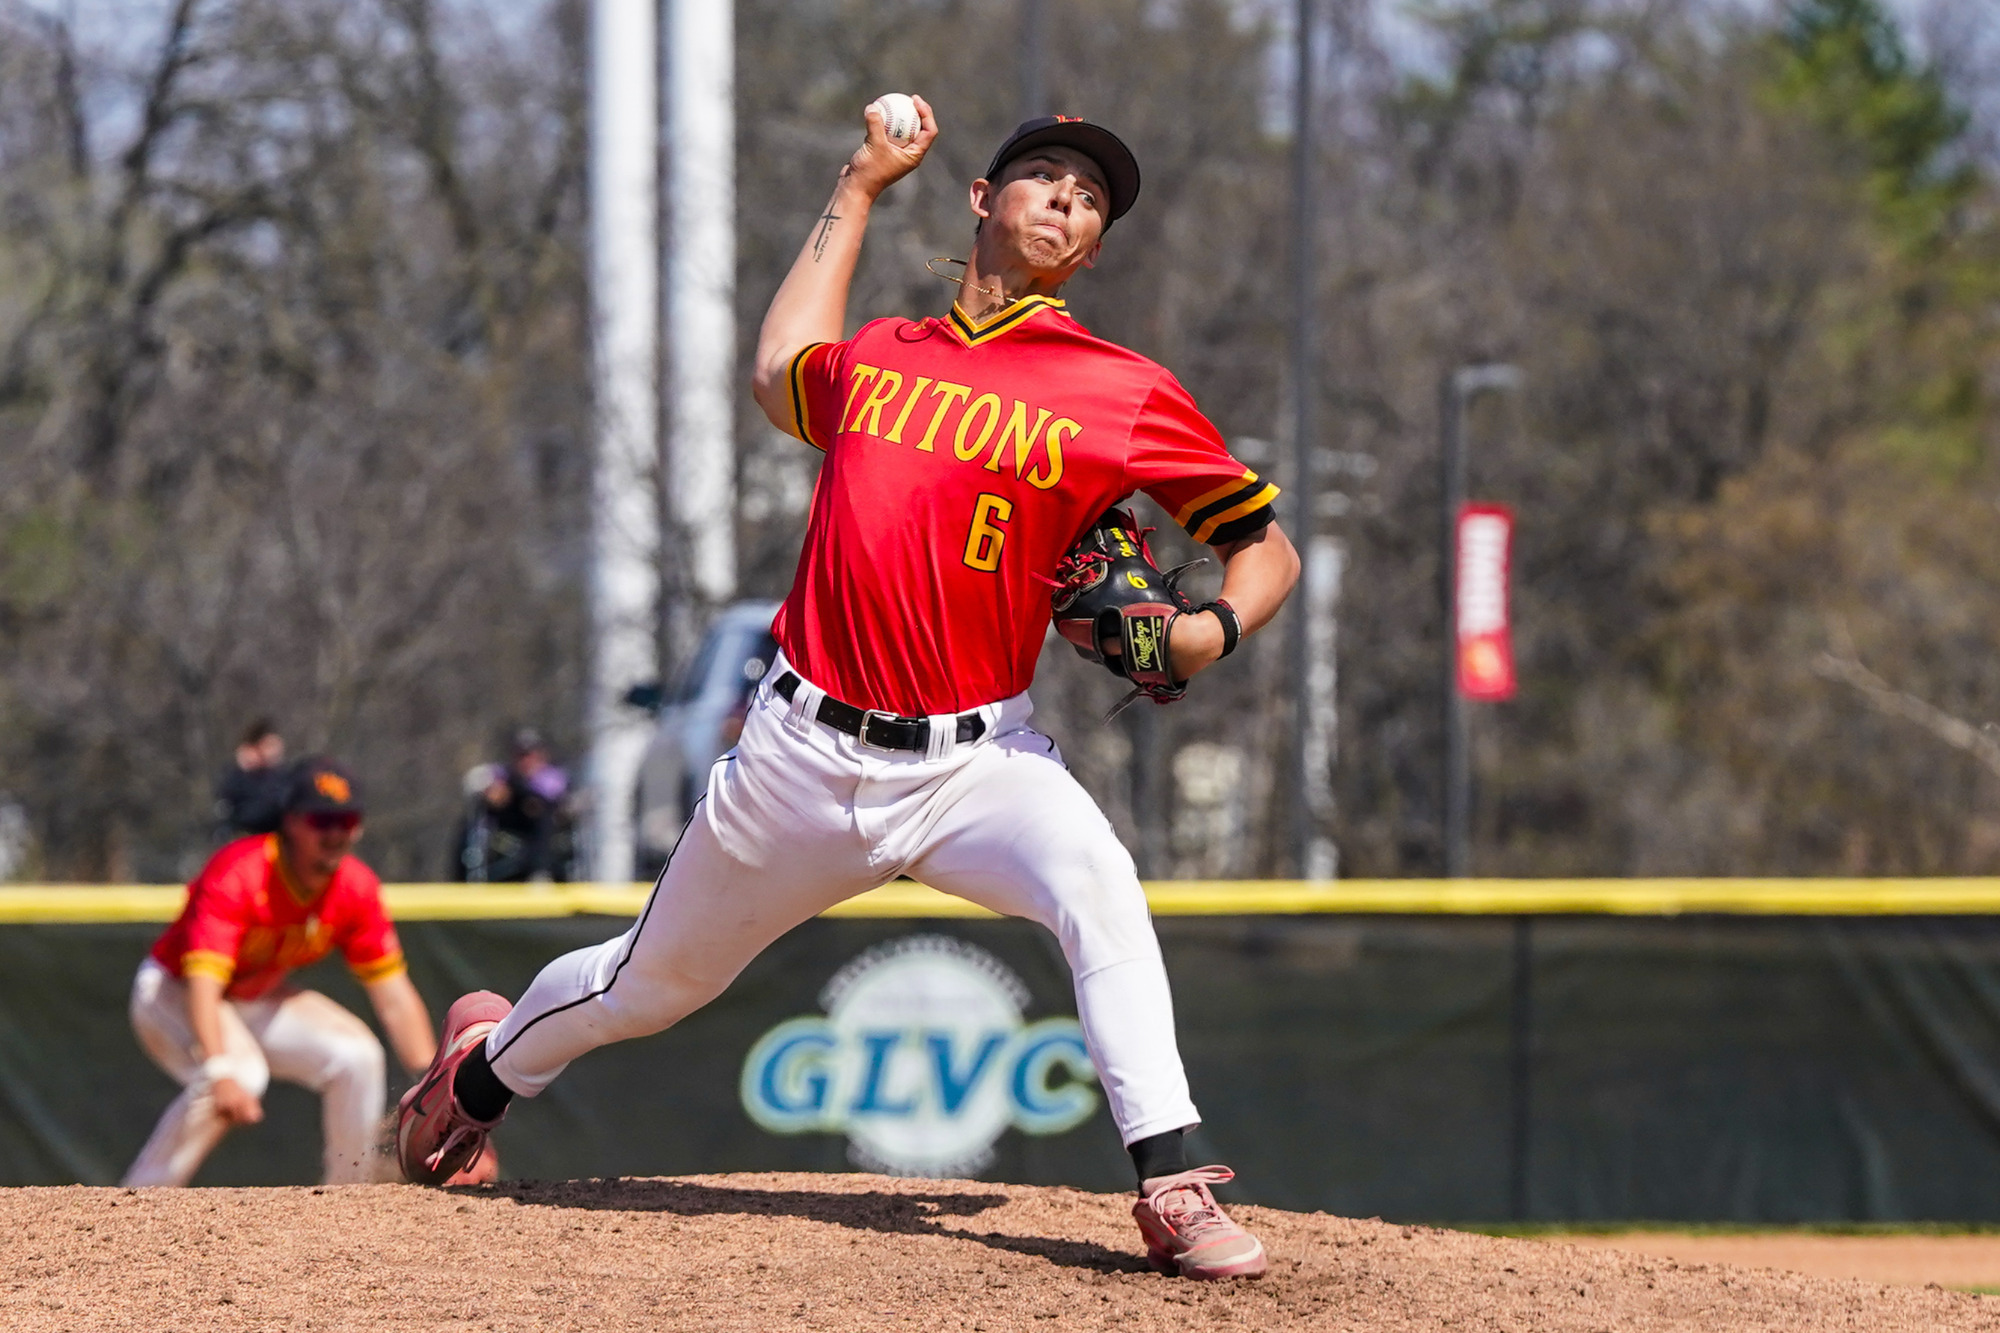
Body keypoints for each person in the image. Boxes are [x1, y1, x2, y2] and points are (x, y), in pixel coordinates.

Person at [399, 102, 1297, 1280]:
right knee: (647, 986)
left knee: (1100, 885)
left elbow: (1264, 542)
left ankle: (1171, 1180)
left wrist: (1211, 629)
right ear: (983, 198)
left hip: (979, 760)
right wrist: (862, 183)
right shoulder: (884, 355)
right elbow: (777, 370)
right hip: (801, 757)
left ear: (1092, 247)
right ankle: (473, 1073)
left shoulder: (1118, 390)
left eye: (1090, 197)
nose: (1068, 199)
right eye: (1042, 177)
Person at [126, 757, 462, 1186]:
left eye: (348, 819)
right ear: (291, 822)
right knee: (238, 1073)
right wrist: (218, 1072)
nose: (336, 832)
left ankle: (350, 1202)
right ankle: (138, 1201)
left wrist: (442, 1101)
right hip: (172, 993)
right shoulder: (241, 872)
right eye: (322, 819)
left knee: (357, 1058)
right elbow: (203, 986)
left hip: (252, 998)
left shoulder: (355, 887)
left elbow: (394, 998)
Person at [449, 729, 573, 883]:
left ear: (542, 755)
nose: (526, 761)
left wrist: (516, 791)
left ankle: (540, 873)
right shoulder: (502, 774)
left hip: (544, 837)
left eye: (530, 754)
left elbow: (548, 798)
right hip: (506, 834)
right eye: (521, 755)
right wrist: (492, 792)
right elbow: (474, 782)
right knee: (471, 820)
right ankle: (461, 880)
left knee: (540, 813)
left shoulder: (553, 777)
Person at [212, 718, 288, 839]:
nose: (275, 751)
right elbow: (235, 814)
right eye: (269, 745)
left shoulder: (283, 776)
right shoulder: (237, 778)